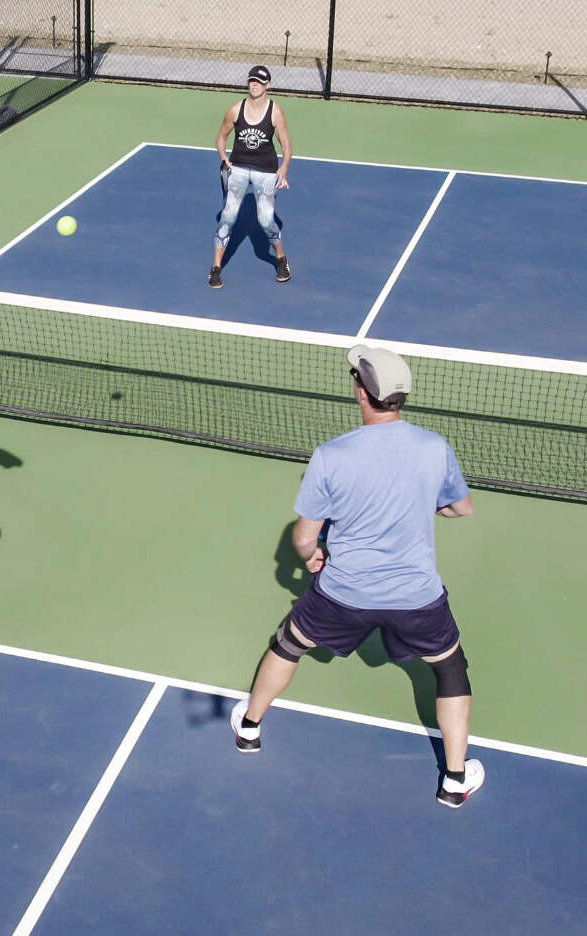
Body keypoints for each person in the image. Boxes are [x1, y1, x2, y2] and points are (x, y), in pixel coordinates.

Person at [231, 345, 484, 808]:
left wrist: (311, 556)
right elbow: (460, 508)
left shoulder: (331, 455)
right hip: (416, 597)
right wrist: (420, 504)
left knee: (288, 645)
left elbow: (304, 538)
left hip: (343, 593)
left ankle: (249, 728)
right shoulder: (434, 447)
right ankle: (454, 779)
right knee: (449, 668)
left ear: (361, 393)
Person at [209, 64, 293, 289]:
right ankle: (215, 268)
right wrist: (224, 157)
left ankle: (281, 258)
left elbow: (286, 145)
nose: (255, 85)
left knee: (265, 221)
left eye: (259, 82)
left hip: (265, 172)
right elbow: (221, 137)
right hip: (238, 168)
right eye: (252, 81)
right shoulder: (236, 110)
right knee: (227, 217)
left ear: (267, 85)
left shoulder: (275, 112)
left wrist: (284, 168)